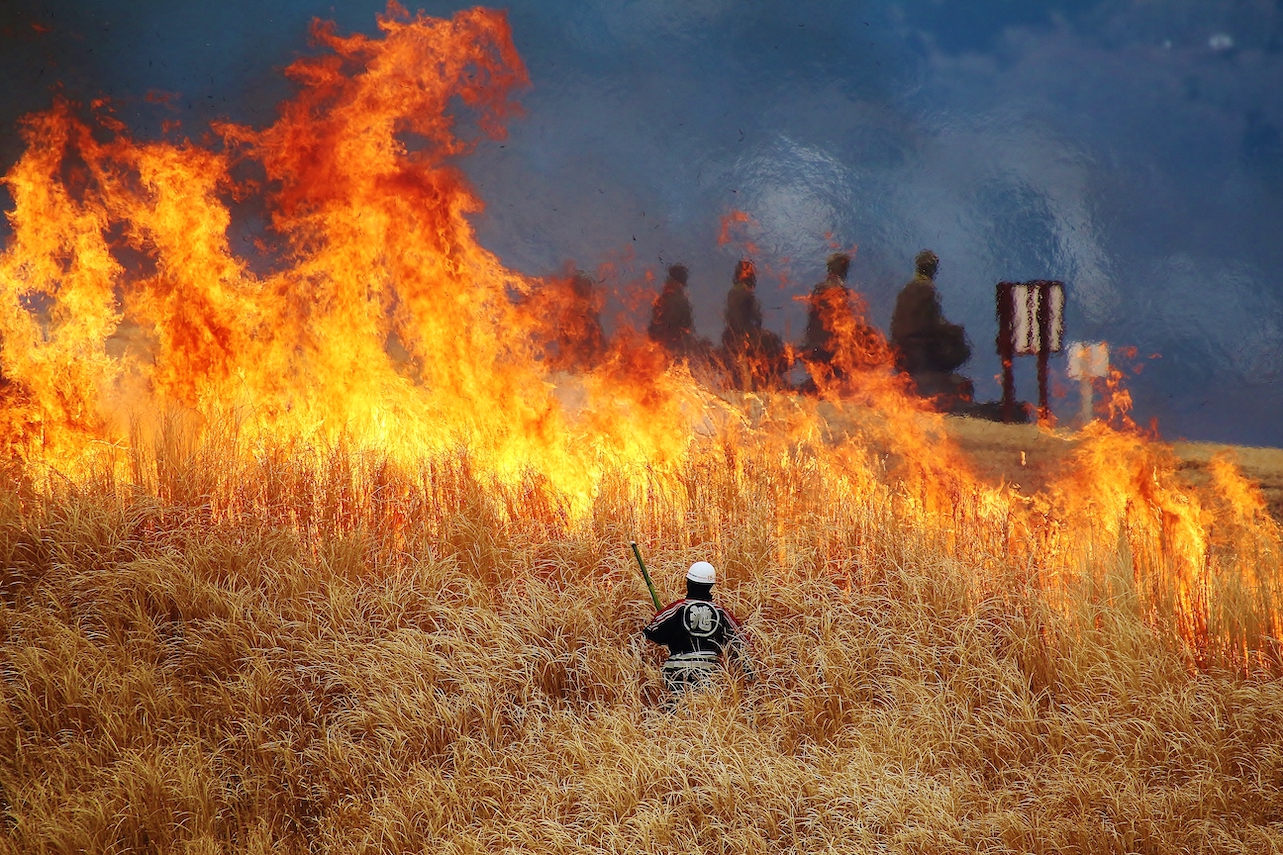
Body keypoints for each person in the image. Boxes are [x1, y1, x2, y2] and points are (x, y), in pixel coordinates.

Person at [643, 561, 753, 695]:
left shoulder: (677, 608)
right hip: (710, 675)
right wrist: (750, 675)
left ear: (688, 582)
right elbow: (741, 642)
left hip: (676, 674)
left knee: (675, 712)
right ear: (711, 585)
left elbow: (651, 633)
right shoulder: (721, 612)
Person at [889, 250, 970, 376]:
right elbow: (929, 323)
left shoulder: (906, 290)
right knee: (957, 337)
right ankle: (937, 374)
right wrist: (952, 330)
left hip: (900, 345)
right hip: (917, 348)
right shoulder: (926, 290)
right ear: (932, 269)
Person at [720, 259, 787, 390]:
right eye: (746, 271)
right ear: (739, 274)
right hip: (743, 335)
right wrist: (748, 334)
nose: (749, 273)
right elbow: (739, 318)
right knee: (773, 344)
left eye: (750, 271)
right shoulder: (740, 292)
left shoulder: (741, 291)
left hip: (744, 334)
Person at [647, 264, 701, 358]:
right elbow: (683, 323)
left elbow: (655, 323)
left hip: (662, 344)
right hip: (673, 344)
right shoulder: (678, 298)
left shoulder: (664, 297)